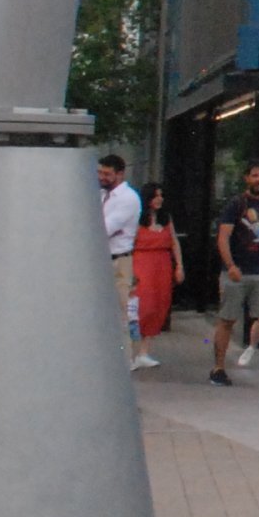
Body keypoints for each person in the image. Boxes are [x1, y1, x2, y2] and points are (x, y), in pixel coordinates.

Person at [207, 186, 259, 385]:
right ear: (247, 178)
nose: (258, 180)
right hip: (236, 272)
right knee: (227, 319)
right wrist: (230, 265)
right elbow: (223, 237)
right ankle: (218, 367)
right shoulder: (235, 205)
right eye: (254, 175)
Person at [96, 155, 144, 367]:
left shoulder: (128, 198)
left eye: (107, 174)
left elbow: (104, 228)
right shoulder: (100, 195)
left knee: (119, 312)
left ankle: (124, 362)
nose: (102, 177)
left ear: (120, 174)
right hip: (100, 258)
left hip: (118, 261)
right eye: (100, 173)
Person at [132, 194, 183, 369]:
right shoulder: (137, 218)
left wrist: (179, 266)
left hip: (162, 264)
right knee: (143, 306)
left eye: (161, 196)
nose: (160, 199)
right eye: (156, 196)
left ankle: (144, 352)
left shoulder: (166, 218)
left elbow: (174, 242)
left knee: (159, 305)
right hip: (142, 262)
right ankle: (131, 351)